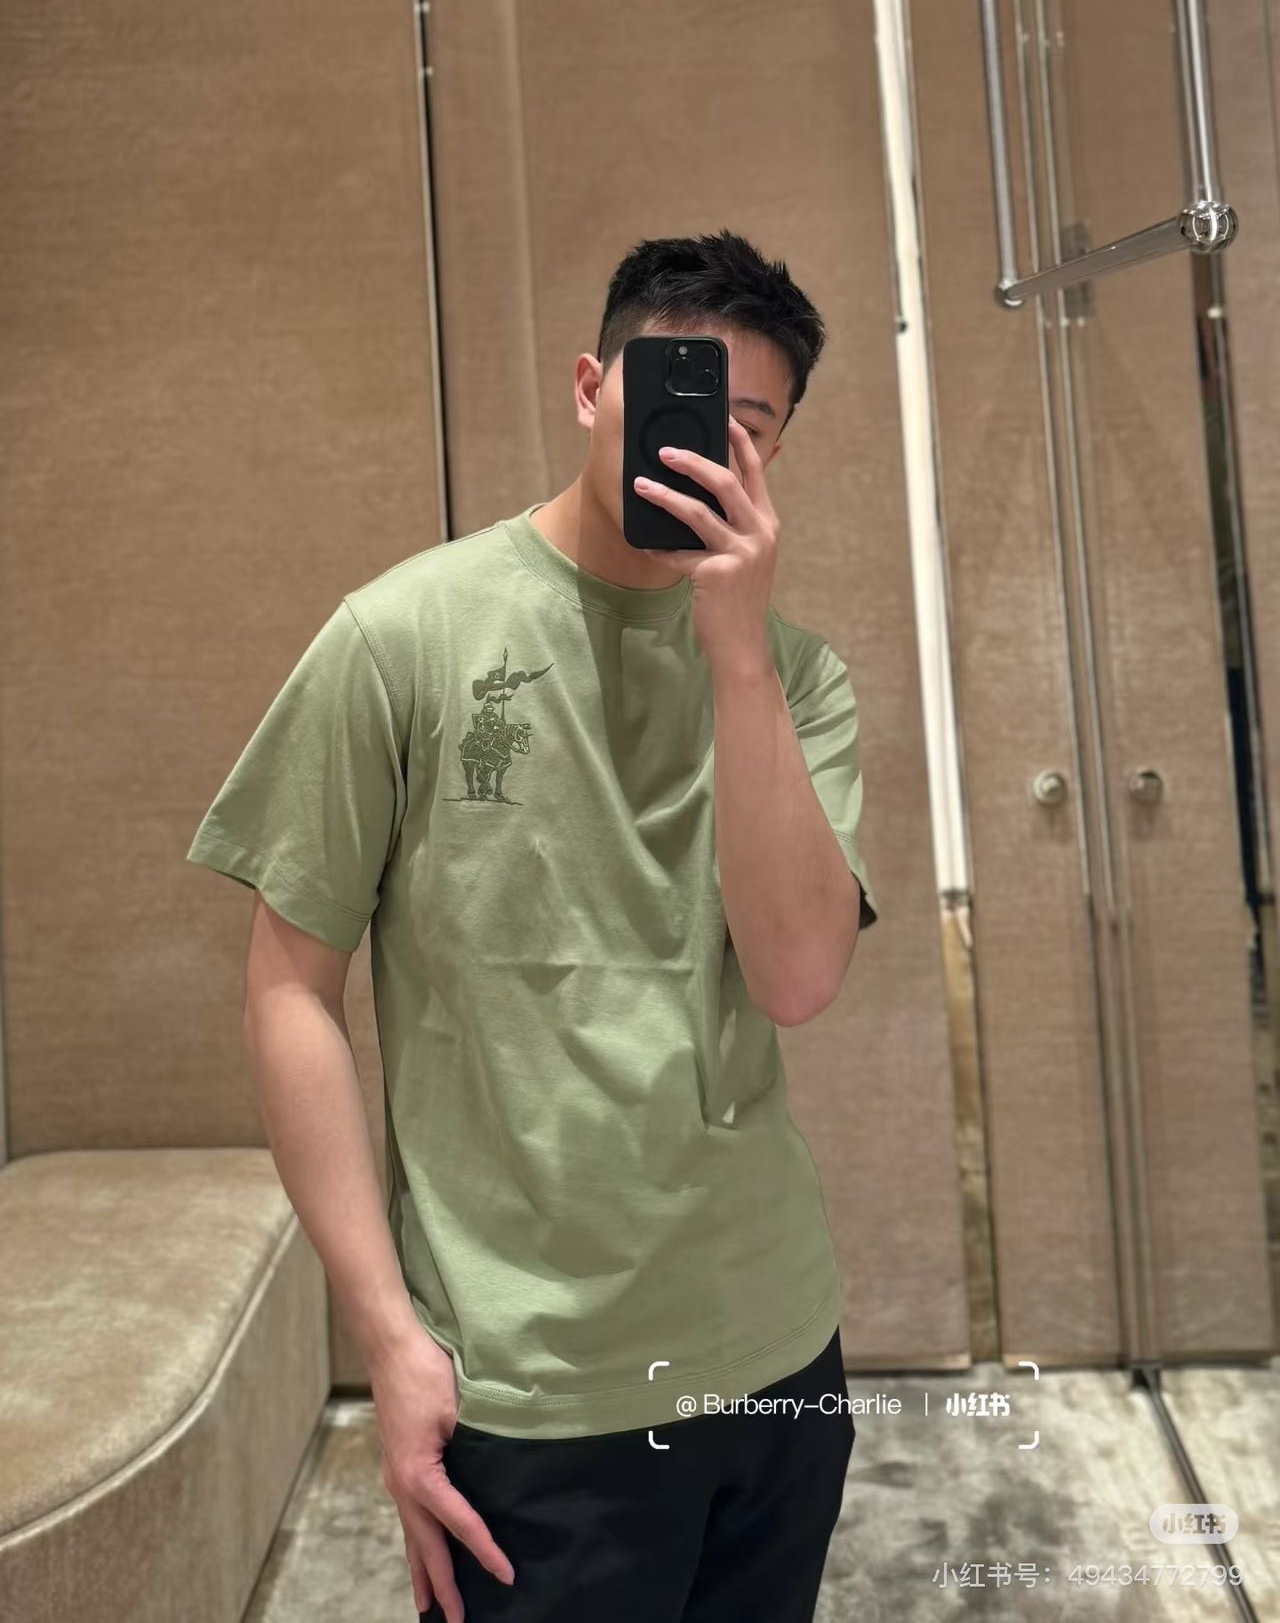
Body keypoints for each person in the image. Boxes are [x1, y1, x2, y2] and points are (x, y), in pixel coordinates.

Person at [186, 227, 880, 1623]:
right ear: (589, 387)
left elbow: (800, 978)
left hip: (774, 1351)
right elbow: (289, 992)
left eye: (747, 426)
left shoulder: (797, 680)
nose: (704, 443)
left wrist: (735, 651)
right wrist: (388, 1338)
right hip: (527, 1385)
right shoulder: (402, 637)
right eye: (674, 393)